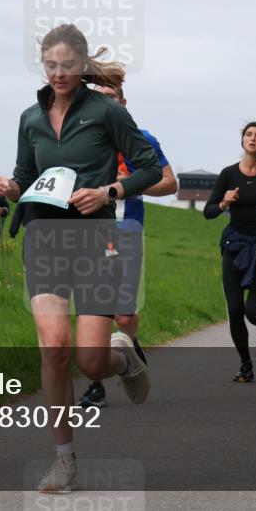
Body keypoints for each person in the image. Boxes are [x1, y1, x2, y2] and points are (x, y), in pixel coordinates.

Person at [0, 24, 162, 494]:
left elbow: (150, 167)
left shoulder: (106, 112)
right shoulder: (30, 117)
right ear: (43, 66)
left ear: (82, 65)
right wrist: (11, 187)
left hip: (97, 238)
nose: (59, 72)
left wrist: (109, 189)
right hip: (44, 236)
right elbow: (26, 173)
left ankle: (122, 360)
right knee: (55, 346)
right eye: (51, 64)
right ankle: (63, 459)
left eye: (68, 64)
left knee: (89, 360)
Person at [78, 83, 178, 408]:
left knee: (123, 316)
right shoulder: (83, 141)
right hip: (93, 233)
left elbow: (170, 182)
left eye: (111, 98)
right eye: (99, 98)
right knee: (97, 311)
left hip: (127, 232)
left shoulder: (141, 139)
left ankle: (129, 346)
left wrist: (127, 187)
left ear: (123, 102)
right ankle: (96, 387)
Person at [203, 122, 256, 383]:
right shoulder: (228, 174)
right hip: (235, 246)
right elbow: (208, 211)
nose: (253, 139)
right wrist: (223, 203)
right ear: (242, 141)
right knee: (235, 310)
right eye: (249, 134)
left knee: (253, 312)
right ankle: (245, 364)